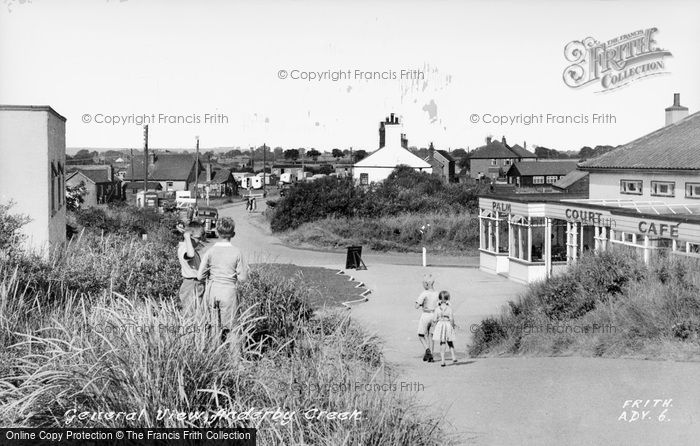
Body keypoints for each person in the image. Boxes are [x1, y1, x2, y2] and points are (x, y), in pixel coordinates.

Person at [197, 217, 249, 343]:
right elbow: (242, 278)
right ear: (233, 234)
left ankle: (215, 357)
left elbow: (200, 276)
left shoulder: (210, 251)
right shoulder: (237, 252)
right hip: (229, 292)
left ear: (217, 232)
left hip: (212, 291)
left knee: (214, 327)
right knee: (232, 329)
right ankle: (235, 360)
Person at [177, 221, 207, 312]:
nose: (200, 240)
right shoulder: (184, 248)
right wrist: (187, 237)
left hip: (196, 283)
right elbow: (190, 255)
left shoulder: (190, 248)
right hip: (190, 284)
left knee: (198, 312)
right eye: (198, 238)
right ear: (190, 237)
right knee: (189, 312)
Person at [415, 274, 440, 362]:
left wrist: (421, 304)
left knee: (421, 335)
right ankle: (431, 355)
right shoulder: (437, 293)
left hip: (425, 315)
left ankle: (427, 350)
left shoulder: (424, 293)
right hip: (434, 315)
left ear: (426, 284)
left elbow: (416, 306)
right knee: (431, 335)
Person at [433, 290, 457, 367]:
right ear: (447, 299)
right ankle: (453, 356)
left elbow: (434, 319)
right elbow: (452, 319)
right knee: (450, 341)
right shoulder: (449, 308)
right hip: (447, 324)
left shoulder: (437, 308)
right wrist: (453, 326)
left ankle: (443, 360)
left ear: (439, 298)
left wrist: (435, 323)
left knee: (442, 342)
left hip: (440, 324)